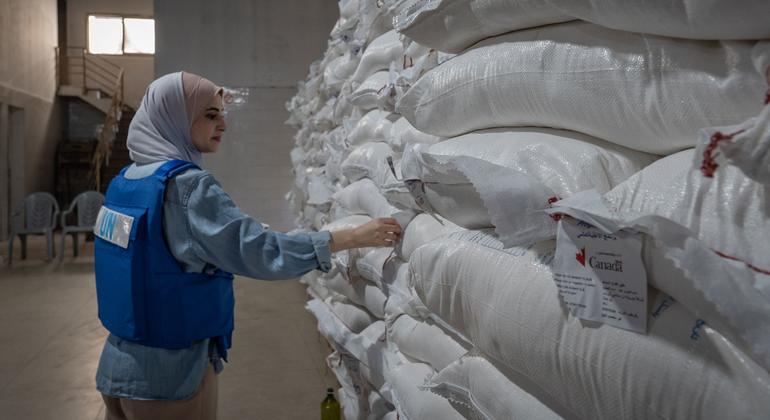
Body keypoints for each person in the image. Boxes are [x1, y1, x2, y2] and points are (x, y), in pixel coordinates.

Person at [93, 71, 401, 420]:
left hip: (116, 370)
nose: (223, 123)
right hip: (170, 379)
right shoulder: (187, 187)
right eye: (210, 114)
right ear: (175, 116)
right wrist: (351, 237)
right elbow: (261, 251)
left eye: (222, 112)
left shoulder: (124, 183)